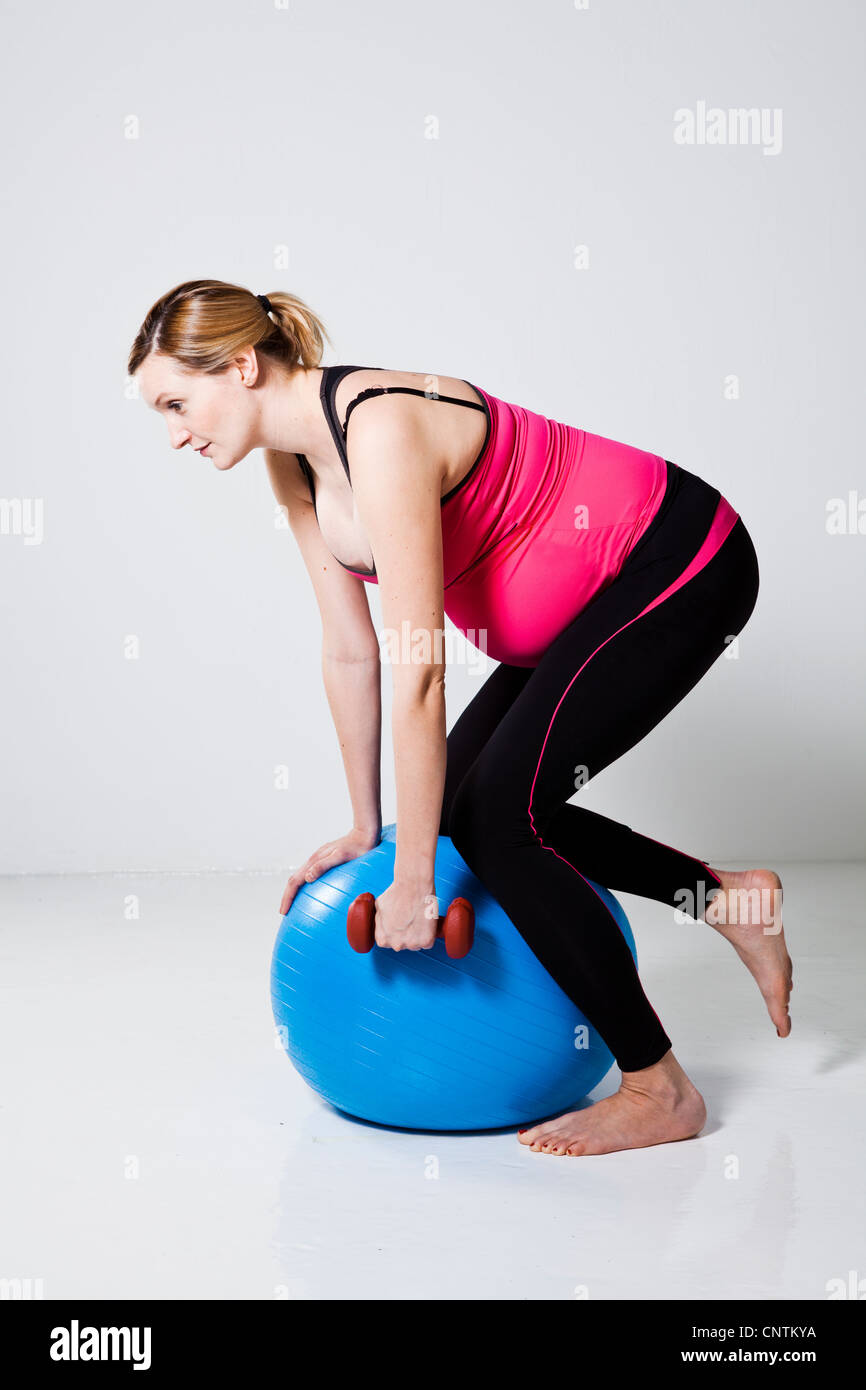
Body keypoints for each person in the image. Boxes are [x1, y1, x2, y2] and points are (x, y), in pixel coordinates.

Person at [128, 278, 793, 1158]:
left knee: (498, 820)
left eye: (177, 401)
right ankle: (723, 899)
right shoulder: (290, 466)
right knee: (479, 814)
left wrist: (413, 881)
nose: (174, 433)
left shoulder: (382, 428)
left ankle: (659, 1088)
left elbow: (420, 668)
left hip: (674, 563)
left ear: (243, 365)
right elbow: (351, 652)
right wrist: (370, 827)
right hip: (579, 609)